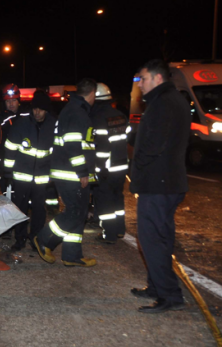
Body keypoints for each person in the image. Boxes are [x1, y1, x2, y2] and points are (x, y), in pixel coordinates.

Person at [130, 59, 190, 313]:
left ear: (157, 78)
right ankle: (157, 286)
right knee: (160, 238)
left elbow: (153, 145)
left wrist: (137, 167)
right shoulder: (169, 100)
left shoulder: (163, 104)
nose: (139, 84)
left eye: (142, 79)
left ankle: (170, 295)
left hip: (159, 184)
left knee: (152, 240)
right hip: (166, 183)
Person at [34, 78, 97, 267]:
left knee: (79, 212)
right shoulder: (77, 113)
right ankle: (44, 239)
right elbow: (72, 144)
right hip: (71, 174)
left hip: (70, 172)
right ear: (92, 93)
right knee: (76, 212)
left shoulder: (74, 110)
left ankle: (71, 254)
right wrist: (82, 171)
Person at [3, 90, 56, 251]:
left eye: (40, 109)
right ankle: (20, 239)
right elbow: (10, 149)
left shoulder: (53, 125)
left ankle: (36, 239)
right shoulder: (22, 124)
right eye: (34, 109)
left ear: (46, 110)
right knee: (20, 208)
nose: (37, 112)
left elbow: (57, 151)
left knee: (39, 210)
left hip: (41, 178)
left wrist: (52, 174)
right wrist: (7, 173)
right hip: (21, 177)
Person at [90, 83, 129, 244]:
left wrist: (99, 168)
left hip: (106, 167)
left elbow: (102, 147)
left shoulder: (98, 118)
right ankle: (120, 229)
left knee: (104, 200)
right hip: (121, 166)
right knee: (117, 198)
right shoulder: (120, 115)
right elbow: (124, 140)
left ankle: (109, 233)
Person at [0, 84, 30, 194]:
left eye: (13, 100)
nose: (11, 104)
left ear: (18, 100)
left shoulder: (28, 116)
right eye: (8, 101)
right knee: (9, 198)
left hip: (25, 166)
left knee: (25, 198)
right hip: (6, 168)